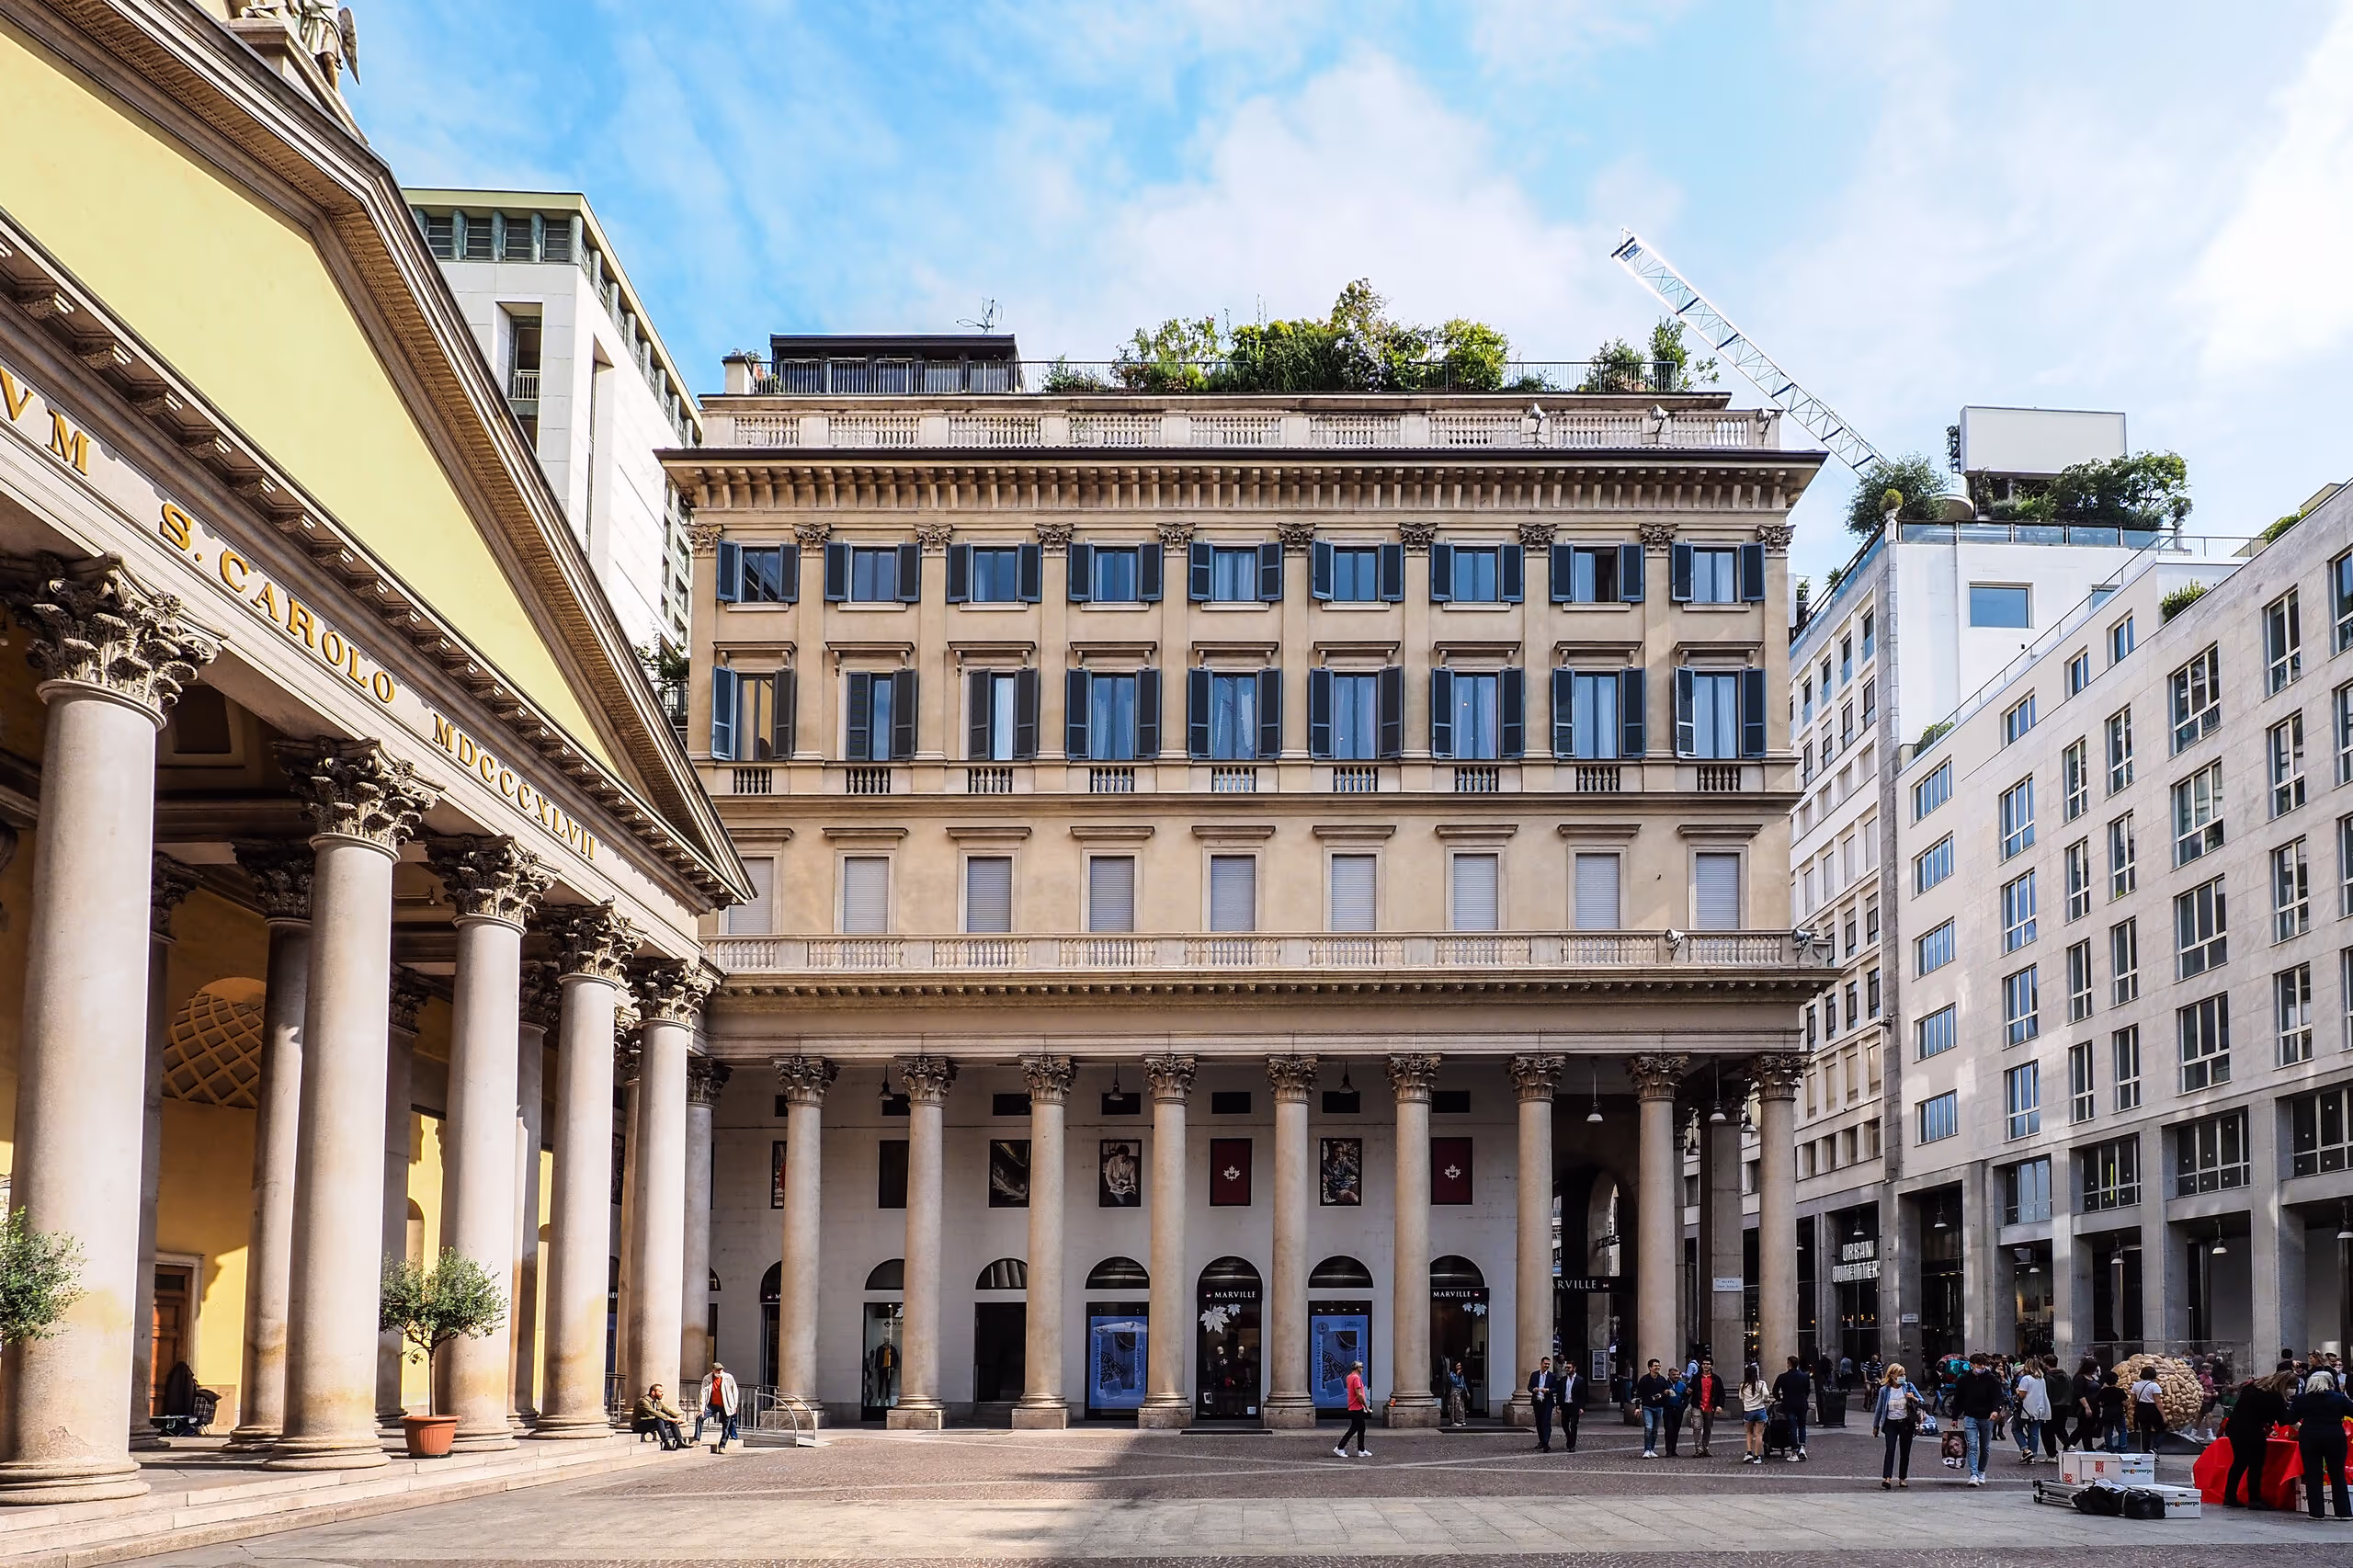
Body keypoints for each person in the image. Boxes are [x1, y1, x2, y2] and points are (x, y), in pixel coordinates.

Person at [2221, 1370, 2291, 1508]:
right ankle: (2254, 1499)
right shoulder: (2274, 1396)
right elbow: (2283, 1419)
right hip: (2252, 1431)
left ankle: (2230, 1496)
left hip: (2235, 1427)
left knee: (2239, 1463)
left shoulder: (2251, 1387)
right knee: (2256, 1465)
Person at [2289, 1369, 2353, 1520]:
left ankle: (2316, 1512)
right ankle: (2343, 1512)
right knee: (2337, 1473)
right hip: (2334, 1436)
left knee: (2313, 1474)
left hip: (2310, 1437)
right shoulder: (2339, 1399)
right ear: (2330, 1383)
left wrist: (2302, 1428)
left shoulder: (2301, 1399)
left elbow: (2290, 1418)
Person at [1952, 1353, 2004, 1486]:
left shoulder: (1991, 1378)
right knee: (1972, 1446)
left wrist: (1996, 1410)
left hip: (1987, 1417)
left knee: (1985, 1448)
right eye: (1979, 1364)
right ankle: (1974, 1474)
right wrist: (1955, 1417)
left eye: (1983, 1364)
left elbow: (1998, 1396)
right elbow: (1958, 1399)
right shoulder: (1964, 1379)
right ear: (1972, 1365)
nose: (1982, 1367)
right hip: (1970, 1416)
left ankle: (1981, 1471)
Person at [1871, 1362, 1923, 1489]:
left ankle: (1902, 1478)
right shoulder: (1885, 1390)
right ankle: (1887, 1478)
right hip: (1891, 1423)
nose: (1902, 1377)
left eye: (1904, 1374)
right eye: (1900, 1374)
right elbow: (1879, 1409)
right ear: (1892, 1375)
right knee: (1890, 1449)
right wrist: (1876, 1426)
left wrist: (1913, 1398)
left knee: (1905, 1451)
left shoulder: (1908, 1387)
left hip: (1906, 1422)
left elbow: (1922, 1401)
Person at [1771, 1355, 1812, 1462]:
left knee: (1792, 1427)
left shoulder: (1782, 1377)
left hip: (1789, 1404)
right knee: (1802, 1426)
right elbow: (1808, 1390)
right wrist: (1804, 1398)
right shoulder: (1805, 1376)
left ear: (1789, 1364)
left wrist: (1779, 1399)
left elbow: (1775, 1390)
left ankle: (1794, 1451)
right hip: (1802, 1403)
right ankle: (1802, 1448)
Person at [692, 1361, 741, 1451]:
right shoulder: (707, 1378)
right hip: (712, 1405)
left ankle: (722, 1446)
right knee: (700, 1417)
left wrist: (734, 1405)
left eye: (721, 1370)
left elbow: (735, 1391)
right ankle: (697, 1439)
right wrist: (701, 1409)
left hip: (726, 1405)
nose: (719, 1372)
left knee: (726, 1426)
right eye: (717, 1370)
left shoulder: (728, 1377)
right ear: (713, 1370)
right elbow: (703, 1393)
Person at [1690, 1356, 1728, 1458]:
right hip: (1697, 1405)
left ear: (1711, 1366)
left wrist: (1720, 1405)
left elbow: (1721, 1393)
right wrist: (1688, 1392)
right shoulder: (1696, 1377)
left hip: (1710, 1406)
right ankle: (1698, 1449)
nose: (1706, 1366)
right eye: (1704, 1364)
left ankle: (1705, 1447)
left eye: (1708, 1364)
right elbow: (1690, 1388)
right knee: (1697, 1427)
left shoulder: (1716, 1379)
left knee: (1708, 1428)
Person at [2012, 1359, 2049, 1464]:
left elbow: (2022, 1395)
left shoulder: (2026, 1379)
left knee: (2016, 1429)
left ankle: (2026, 1450)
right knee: (2034, 1432)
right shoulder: (2041, 1379)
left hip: (2025, 1409)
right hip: (2038, 1409)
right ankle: (2032, 1455)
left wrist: (2017, 1391)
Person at [1334, 1360, 1371, 1459]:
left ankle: (1361, 1450)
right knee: (1354, 1428)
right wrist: (1366, 1406)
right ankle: (1340, 1447)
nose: (1362, 1369)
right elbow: (1359, 1394)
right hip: (1356, 1407)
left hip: (1354, 1406)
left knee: (1362, 1428)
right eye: (1361, 1367)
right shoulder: (1356, 1378)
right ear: (1358, 1368)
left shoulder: (1349, 1377)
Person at [1635, 1358, 1671, 1459]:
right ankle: (1647, 1450)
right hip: (1647, 1406)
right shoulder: (1644, 1379)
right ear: (1650, 1368)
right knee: (1649, 1427)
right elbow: (1638, 1394)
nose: (1657, 1367)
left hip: (1659, 1407)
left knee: (1655, 1430)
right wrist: (1637, 1407)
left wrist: (1662, 1394)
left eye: (1659, 1365)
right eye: (1655, 1365)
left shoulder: (1662, 1379)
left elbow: (1666, 1391)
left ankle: (1651, 1449)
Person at [633, 1383, 687, 1450]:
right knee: (659, 1420)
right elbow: (653, 1413)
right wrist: (669, 1418)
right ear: (653, 1392)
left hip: (651, 1423)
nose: (662, 1394)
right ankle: (666, 1444)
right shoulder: (643, 1401)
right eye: (660, 1392)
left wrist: (678, 1417)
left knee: (671, 1422)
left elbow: (668, 1411)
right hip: (639, 1425)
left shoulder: (657, 1401)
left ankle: (679, 1442)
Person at [1739, 1362, 1772, 1465]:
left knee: (1749, 1432)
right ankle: (1757, 1456)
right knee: (1759, 1434)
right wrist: (1763, 1399)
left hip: (1748, 1411)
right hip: (1759, 1410)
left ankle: (1749, 1452)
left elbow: (1741, 1397)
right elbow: (1766, 1394)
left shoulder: (1743, 1385)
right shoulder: (1761, 1384)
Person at [2130, 1365, 2165, 1454]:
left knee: (2145, 1430)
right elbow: (2158, 1402)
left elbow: (2132, 1400)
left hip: (2140, 1409)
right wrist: (2163, 1416)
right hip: (2152, 1409)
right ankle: (2154, 1448)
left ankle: (2146, 1451)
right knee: (2161, 1430)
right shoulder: (2154, 1386)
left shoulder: (2136, 1385)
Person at [1526, 1357, 1559, 1453]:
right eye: (1545, 1364)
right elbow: (1529, 1387)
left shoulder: (1552, 1376)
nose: (1547, 1366)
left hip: (1547, 1402)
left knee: (1546, 1422)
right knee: (1539, 1422)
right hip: (1537, 1401)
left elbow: (1556, 1388)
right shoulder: (1534, 1375)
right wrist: (1533, 1389)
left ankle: (1546, 1442)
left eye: (1548, 1364)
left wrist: (1548, 1390)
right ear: (1541, 1364)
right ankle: (1542, 1441)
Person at [2041, 1359, 2073, 1455]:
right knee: (2060, 1428)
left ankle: (2052, 1454)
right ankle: (2068, 1444)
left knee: (2047, 1431)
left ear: (2046, 1364)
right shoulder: (2066, 1376)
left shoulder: (2047, 1377)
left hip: (2052, 1406)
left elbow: (2047, 1393)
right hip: (2065, 1405)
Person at [2096, 1370, 2130, 1454]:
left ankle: (2109, 1447)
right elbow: (2125, 1403)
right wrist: (2126, 1410)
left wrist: (2104, 1406)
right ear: (2116, 1380)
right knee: (2122, 1430)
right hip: (2118, 1412)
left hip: (2107, 1413)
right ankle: (2122, 1447)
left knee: (2108, 1431)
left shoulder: (2103, 1391)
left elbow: (2099, 1403)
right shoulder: (2119, 1391)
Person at [1557, 1357, 1585, 1453]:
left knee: (1573, 1425)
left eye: (1569, 1368)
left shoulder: (1580, 1380)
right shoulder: (1563, 1380)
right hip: (1565, 1405)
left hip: (1574, 1406)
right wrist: (1558, 1405)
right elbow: (1560, 1393)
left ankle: (1572, 1445)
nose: (1567, 1369)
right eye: (1566, 1368)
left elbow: (1582, 1395)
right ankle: (1569, 1438)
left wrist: (1581, 1407)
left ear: (1574, 1368)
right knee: (1564, 1425)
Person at [1446, 1359, 1469, 1429]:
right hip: (1455, 1391)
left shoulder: (1461, 1374)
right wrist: (1458, 1375)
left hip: (1461, 1390)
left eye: (1460, 1365)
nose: (1459, 1367)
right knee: (1455, 1406)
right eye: (1458, 1366)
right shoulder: (1452, 1374)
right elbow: (1455, 1382)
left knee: (1461, 1406)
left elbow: (1463, 1383)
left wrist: (1467, 1391)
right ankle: (1454, 1421)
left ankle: (1461, 1419)